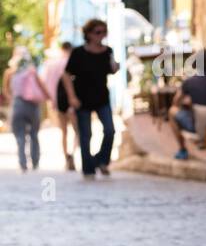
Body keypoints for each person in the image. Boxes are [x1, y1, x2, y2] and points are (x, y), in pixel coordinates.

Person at [62, 19, 120, 179]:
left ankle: (101, 160)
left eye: (104, 32)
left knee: (110, 130)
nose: (101, 35)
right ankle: (88, 168)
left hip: (102, 97)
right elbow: (66, 75)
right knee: (86, 134)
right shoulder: (78, 52)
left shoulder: (108, 51)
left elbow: (111, 68)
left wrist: (115, 67)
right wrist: (71, 97)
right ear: (89, 34)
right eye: (98, 32)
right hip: (82, 98)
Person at [169, 50, 206, 160]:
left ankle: (182, 149)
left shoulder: (189, 82)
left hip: (199, 127)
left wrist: (189, 100)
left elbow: (176, 102)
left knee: (172, 111)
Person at [4, 47, 52, 172]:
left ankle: (23, 163)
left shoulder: (10, 72)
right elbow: (42, 86)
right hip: (33, 105)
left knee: (20, 136)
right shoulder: (32, 71)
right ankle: (35, 162)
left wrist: (13, 99)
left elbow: (6, 90)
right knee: (34, 134)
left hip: (18, 104)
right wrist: (50, 98)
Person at [43, 41, 76, 170]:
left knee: (64, 131)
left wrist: (51, 100)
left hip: (57, 100)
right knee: (77, 131)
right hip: (72, 99)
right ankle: (72, 153)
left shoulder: (51, 64)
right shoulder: (72, 62)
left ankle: (66, 156)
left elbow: (46, 83)